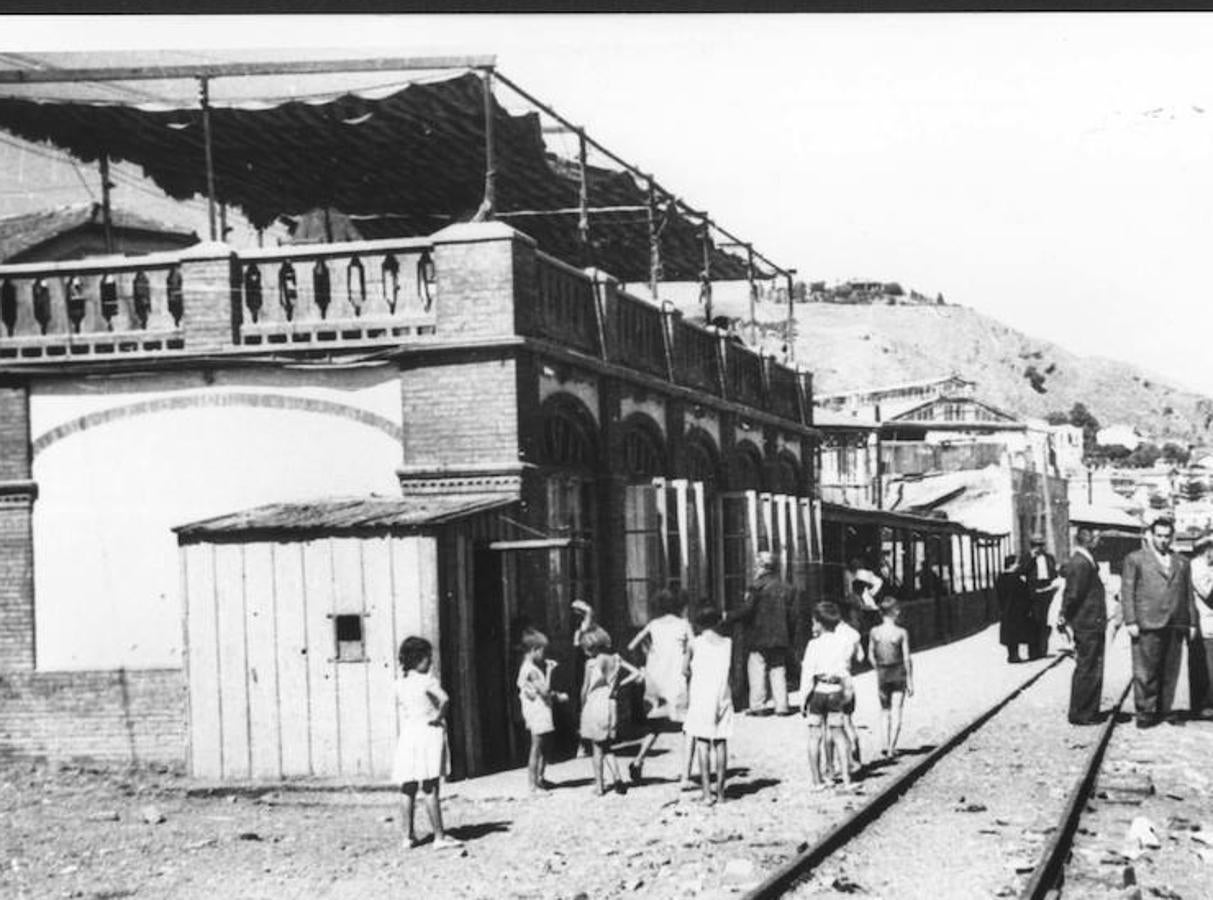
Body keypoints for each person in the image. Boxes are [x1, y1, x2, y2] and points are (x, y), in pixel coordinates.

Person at [1121, 517, 1198, 728]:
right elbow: (1127, 591)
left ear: (1172, 537)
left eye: (1167, 536)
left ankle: (1165, 709)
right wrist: (1130, 620)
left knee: (1170, 670)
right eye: (1159, 535)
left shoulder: (1182, 562)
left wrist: (1191, 622)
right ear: (1151, 535)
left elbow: (1188, 594)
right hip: (1147, 622)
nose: (1163, 540)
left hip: (1175, 623)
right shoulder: (1135, 559)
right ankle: (1146, 712)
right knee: (1146, 670)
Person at [392, 636, 461, 850]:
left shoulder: (400, 683)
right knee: (430, 786)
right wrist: (439, 717)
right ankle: (439, 836)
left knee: (408, 786)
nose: (430, 661)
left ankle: (407, 836)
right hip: (427, 732)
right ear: (418, 659)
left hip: (409, 734)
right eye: (427, 657)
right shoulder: (428, 680)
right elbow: (445, 699)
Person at [625, 588, 694, 786]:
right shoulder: (683, 624)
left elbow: (631, 645)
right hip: (676, 679)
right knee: (688, 727)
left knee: (655, 725)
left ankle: (638, 760)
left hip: (655, 679)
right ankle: (685, 776)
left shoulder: (653, 624)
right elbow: (693, 646)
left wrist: (646, 656)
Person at [727, 550, 797, 716]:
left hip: (758, 635)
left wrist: (729, 617)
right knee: (778, 668)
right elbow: (793, 616)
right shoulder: (787, 588)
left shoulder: (757, 587)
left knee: (757, 668)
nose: (754, 569)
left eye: (756, 565)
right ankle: (782, 706)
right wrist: (790, 634)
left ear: (762, 567)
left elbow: (747, 610)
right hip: (780, 636)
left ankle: (758, 706)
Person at [578, 625, 643, 795]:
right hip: (610, 704)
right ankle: (618, 779)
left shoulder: (591, 664)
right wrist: (618, 686)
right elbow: (636, 673)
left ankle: (599, 786)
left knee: (596, 749)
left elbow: (584, 689)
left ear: (591, 647)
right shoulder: (616, 659)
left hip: (594, 704)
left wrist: (581, 708)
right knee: (606, 746)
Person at [683, 605, 735, 805]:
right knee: (721, 742)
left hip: (701, 696)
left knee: (702, 743)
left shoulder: (694, 644)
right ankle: (721, 793)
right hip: (723, 694)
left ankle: (707, 793)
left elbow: (684, 670)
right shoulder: (728, 643)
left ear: (698, 623)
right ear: (717, 621)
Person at [801, 602, 856, 790]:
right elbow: (845, 671)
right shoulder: (843, 643)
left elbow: (807, 674)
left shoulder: (813, 645)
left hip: (818, 693)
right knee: (839, 735)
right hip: (835, 693)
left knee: (814, 736)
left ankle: (817, 781)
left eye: (813, 622)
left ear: (818, 623)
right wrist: (847, 694)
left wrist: (803, 699)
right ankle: (846, 779)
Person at [1057, 528, 1106, 725]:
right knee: (1088, 667)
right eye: (1097, 537)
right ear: (1087, 539)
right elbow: (1073, 594)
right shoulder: (1080, 562)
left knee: (1091, 666)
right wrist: (1064, 616)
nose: (1099, 541)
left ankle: (1087, 711)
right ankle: (1081, 713)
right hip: (1087, 623)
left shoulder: (1085, 560)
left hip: (1090, 622)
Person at [517, 628, 569, 793]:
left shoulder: (529, 668)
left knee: (544, 746)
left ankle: (540, 778)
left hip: (542, 710)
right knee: (537, 747)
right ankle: (533, 785)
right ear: (534, 650)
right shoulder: (531, 671)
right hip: (537, 712)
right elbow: (544, 690)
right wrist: (550, 672)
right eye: (541, 651)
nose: (543, 654)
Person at [868, 597, 914, 757]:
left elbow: (870, 655)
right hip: (898, 672)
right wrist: (910, 681)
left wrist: (878, 668)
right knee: (897, 710)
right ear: (895, 612)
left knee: (884, 710)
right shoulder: (901, 632)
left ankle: (885, 744)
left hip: (882, 672)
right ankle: (891, 748)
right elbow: (907, 658)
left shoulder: (874, 632)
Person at [1020, 534, 1060, 660]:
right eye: (1036, 545)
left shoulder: (1049, 558)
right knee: (1034, 622)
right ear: (1032, 545)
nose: (1039, 547)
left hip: (1047, 591)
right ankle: (1033, 652)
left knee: (1045, 622)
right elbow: (1022, 571)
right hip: (1033, 593)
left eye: (1041, 545)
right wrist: (1032, 558)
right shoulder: (1027, 557)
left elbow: (1054, 573)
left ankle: (1043, 649)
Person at [1187, 531, 1213, 718]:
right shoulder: (1197, 566)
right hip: (1204, 624)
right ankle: (1203, 706)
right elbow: (1209, 594)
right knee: (1205, 668)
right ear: (1207, 549)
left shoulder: (1208, 566)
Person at [996, 554, 1032, 663]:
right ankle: (1014, 656)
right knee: (1015, 634)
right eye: (1016, 563)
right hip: (1016, 610)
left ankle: (1011, 655)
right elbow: (1024, 593)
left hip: (1005, 609)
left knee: (1009, 634)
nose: (1018, 565)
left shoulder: (1000, 578)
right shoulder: (1016, 578)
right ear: (1011, 565)